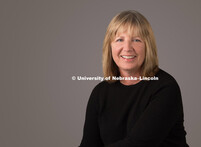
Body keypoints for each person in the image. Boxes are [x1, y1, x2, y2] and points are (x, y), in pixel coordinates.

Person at [79, 10, 189, 147]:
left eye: (136, 40)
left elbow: (137, 144)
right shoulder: (100, 92)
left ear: (148, 46)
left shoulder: (165, 87)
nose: (127, 48)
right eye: (119, 40)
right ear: (110, 47)